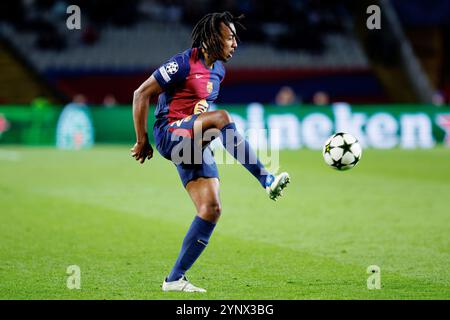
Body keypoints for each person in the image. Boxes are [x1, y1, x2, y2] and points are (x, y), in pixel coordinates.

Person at [131, 12, 290, 293]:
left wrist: (200, 117)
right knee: (222, 118)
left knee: (211, 209)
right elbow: (141, 93)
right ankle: (266, 179)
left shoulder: (219, 70)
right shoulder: (181, 63)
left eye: (235, 38)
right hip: (169, 134)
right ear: (212, 39)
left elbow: (199, 103)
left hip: (193, 142)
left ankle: (174, 279)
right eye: (230, 37)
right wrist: (142, 140)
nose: (235, 44)